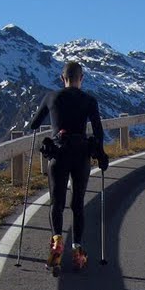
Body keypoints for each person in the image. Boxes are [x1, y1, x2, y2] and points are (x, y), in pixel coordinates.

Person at [29, 60, 109, 273]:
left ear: (62, 78)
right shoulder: (89, 100)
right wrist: (100, 155)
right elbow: (99, 132)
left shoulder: (52, 97)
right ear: (81, 78)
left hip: (58, 153)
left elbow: (33, 125)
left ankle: (56, 244)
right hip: (81, 154)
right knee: (77, 204)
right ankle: (78, 252)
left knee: (57, 203)